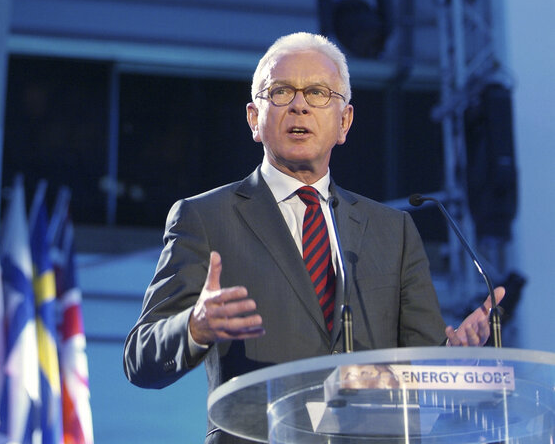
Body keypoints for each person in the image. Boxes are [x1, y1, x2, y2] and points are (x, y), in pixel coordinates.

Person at [122, 32, 505, 444]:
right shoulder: (205, 217)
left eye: (318, 92)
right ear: (254, 119)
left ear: (344, 122)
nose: (300, 104)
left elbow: (420, 367)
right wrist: (195, 326)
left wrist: (451, 360)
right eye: (281, 91)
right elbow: (140, 357)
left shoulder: (392, 231)